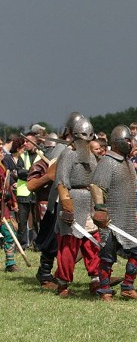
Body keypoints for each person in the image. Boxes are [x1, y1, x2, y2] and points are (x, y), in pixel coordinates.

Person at [89, 125, 137, 301]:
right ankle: (104, 290)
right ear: (117, 143)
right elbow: (97, 186)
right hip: (111, 217)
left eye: (131, 140)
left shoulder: (128, 162)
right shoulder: (107, 162)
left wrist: (134, 212)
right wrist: (100, 210)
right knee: (107, 255)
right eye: (127, 140)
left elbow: (129, 192)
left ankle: (128, 286)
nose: (131, 143)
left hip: (127, 217)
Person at [52, 116, 102, 298]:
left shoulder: (91, 156)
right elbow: (61, 182)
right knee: (68, 247)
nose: (86, 142)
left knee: (93, 243)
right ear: (75, 136)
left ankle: (96, 281)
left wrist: (100, 206)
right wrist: (67, 206)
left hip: (88, 203)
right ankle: (63, 285)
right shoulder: (68, 154)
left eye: (89, 138)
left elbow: (95, 183)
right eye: (83, 138)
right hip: (72, 202)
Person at [31, 112, 79, 289]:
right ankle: (44, 274)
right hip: (59, 198)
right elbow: (53, 176)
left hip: (76, 199)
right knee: (52, 237)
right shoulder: (61, 150)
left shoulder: (78, 150)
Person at [27, 132, 68, 288]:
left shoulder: (63, 163)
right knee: (49, 239)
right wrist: (48, 176)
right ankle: (44, 274)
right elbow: (31, 185)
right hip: (47, 205)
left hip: (63, 203)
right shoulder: (41, 164)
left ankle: (59, 273)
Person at [0, 143, 18, 272]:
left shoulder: (3, 167)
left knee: (9, 233)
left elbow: (7, 188)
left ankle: (10, 263)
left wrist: (12, 202)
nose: (2, 153)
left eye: (2, 151)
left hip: (2, 208)